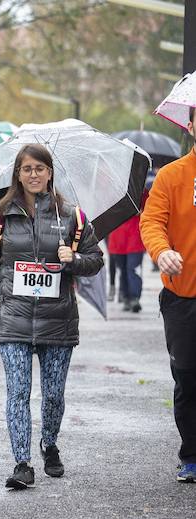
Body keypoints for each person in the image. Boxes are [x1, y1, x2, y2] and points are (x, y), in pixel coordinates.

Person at [0, 143, 103, 489]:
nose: (34, 174)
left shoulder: (71, 216)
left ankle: (49, 443)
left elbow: (95, 260)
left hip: (58, 320)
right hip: (13, 318)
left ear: (50, 173)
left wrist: (73, 259)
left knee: (53, 395)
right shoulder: (0, 218)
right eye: (27, 169)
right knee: (18, 392)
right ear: (18, 174)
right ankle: (22, 463)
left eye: (40, 168)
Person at [139, 105, 196, 483]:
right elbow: (152, 221)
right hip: (183, 296)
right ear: (190, 126)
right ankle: (191, 455)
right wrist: (162, 252)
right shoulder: (173, 175)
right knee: (188, 377)